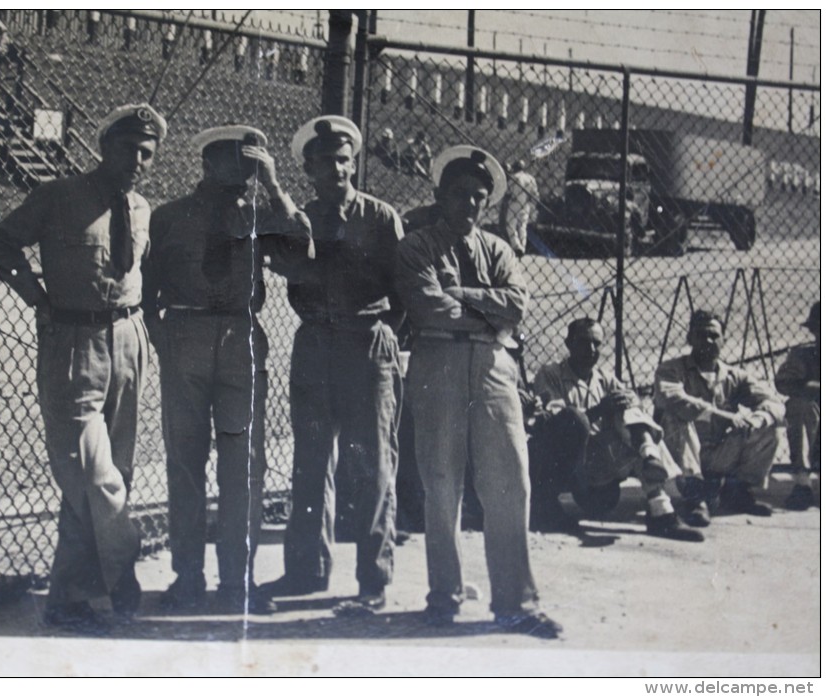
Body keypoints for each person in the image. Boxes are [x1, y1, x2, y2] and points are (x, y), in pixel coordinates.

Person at [0, 103, 166, 632]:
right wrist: (36, 297)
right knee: (94, 475)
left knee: (117, 472)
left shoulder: (142, 208)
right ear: (103, 146)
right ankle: (120, 577)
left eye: (147, 152)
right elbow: (1, 241)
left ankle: (68, 597)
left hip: (130, 341)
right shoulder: (58, 196)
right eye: (128, 147)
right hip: (74, 340)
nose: (137, 159)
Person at [141, 125, 311, 616]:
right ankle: (187, 579)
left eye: (251, 164)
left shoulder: (260, 215)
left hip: (241, 339)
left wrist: (276, 186)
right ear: (208, 163)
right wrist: (164, 339)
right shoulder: (170, 216)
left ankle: (238, 583)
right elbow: (147, 290)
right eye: (235, 163)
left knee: (243, 468)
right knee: (186, 463)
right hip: (187, 336)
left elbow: (304, 252)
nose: (243, 174)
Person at [395, 144, 561, 637]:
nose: (470, 204)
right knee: (441, 482)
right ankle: (443, 595)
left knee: (510, 481)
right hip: (438, 361)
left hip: (493, 366)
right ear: (439, 194)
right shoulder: (417, 246)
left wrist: (463, 296)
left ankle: (517, 601)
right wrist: (484, 311)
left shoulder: (499, 249)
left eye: (480, 197)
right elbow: (427, 308)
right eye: (460, 193)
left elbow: (516, 305)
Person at [262, 116, 404, 617]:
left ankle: (374, 577)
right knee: (311, 462)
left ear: (354, 162)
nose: (336, 169)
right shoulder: (296, 217)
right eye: (324, 162)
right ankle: (306, 569)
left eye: (343, 160)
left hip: (366, 343)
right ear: (308, 168)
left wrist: (381, 340)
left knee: (371, 466)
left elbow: (402, 291)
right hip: (316, 343)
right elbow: (282, 264)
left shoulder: (381, 217)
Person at [529, 318, 703, 541]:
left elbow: (634, 411)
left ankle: (661, 510)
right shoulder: (550, 374)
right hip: (572, 465)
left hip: (602, 468)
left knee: (627, 409)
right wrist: (601, 409)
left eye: (597, 343)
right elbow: (559, 425)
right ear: (568, 344)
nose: (591, 349)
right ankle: (649, 454)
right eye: (583, 342)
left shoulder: (605, 378)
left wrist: (629, 402)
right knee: (591, 413)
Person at [654, 310, 785, 525]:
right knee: (676, 416)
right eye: (701, 334)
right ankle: (695, 498)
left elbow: (774, 403)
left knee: (772, 425)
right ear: (690, 338)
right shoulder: (671, 369)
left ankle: (738, 491)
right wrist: (722, 414)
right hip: (681, 453)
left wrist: (756, 420)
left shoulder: (735, 376)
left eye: (714, 335)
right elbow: (670, 398)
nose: (708, 340)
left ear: (723, 339)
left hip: (720, 452)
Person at [775, 302, 820, 511]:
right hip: (815, 424)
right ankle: (802, 484)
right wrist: (806, 386)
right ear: (813, 330)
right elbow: (782, 382)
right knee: (799, 405)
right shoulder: (804, 355)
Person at [503, 160, 538, 256]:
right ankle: (523, 246)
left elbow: (508, 191)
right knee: (522, 226)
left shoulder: (514, 177)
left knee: (510, 225)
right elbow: (535, 193)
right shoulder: (531, 178)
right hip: (526, 204)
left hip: (514, 202)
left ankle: (516, 246)